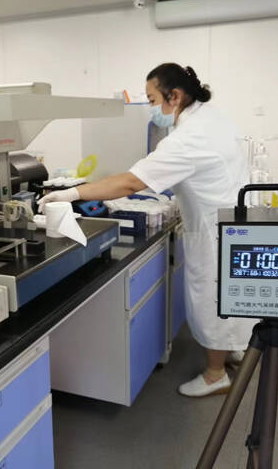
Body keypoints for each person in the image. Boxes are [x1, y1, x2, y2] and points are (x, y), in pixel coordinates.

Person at [38, 62, 254, 397]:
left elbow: (131, 182)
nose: (151, 109)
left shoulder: (189, 137)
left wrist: (73, 193)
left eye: (153, 100)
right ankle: (233, 350)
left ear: (175, 96)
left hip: (214, 231)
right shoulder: (210, 118)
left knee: (212, 298)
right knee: (229, 295)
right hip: (231, 222)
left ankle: (216, 375)